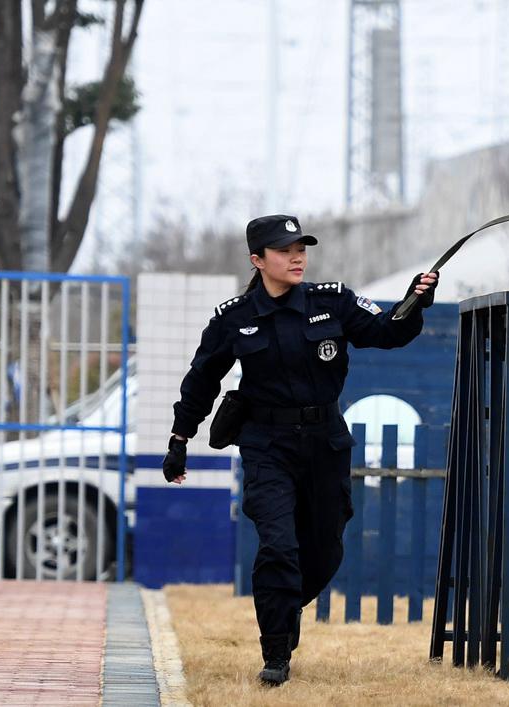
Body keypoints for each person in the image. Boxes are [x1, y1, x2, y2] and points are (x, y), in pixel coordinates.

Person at [161, 214, 438, 686]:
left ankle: (285, 607)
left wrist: (416, 300)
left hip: (324, 443)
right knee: (278, 546)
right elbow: (202, 380)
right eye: (285, 251)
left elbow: (386, 332)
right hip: (266, 446)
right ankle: (276, 652)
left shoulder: (332, 301)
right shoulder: (234, 318)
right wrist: (179, 439)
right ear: (257, 260)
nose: (297, 258)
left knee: (325, 551)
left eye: (301, 249)